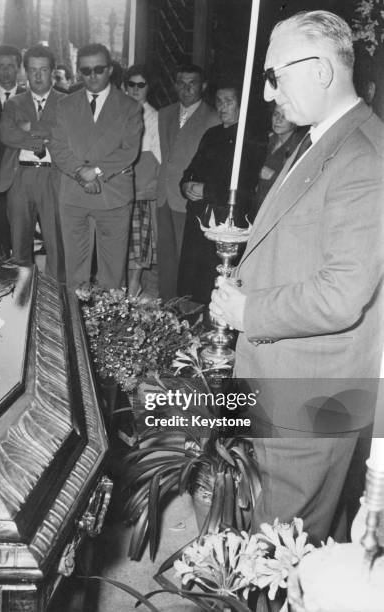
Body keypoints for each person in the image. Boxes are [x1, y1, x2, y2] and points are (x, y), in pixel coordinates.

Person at [210, 10, 384, 543]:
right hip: (287, 381)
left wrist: (248, 311)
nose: (267, 94)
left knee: (279, 550)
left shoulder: (363, 156)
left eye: (274, 75)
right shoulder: (323, 139)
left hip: (313, 399)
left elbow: (342, 294)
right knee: (279, 540)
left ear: (322, 71)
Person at [50, 43, 142, 290]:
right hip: (74, 195)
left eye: (98, 69)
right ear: (79, 72)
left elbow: (129, 150)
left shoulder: (130, 107)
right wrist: (81, 172)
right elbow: (57, 146)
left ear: (110, 70)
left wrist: (96, 171)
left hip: (112, 196)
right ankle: (74, 321)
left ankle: (110, 324)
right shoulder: (65, 105)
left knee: (112, 273)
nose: (92, 76)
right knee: (75, 271)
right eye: (85, 70)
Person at [178, 83, 265, 304]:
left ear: (241, 104)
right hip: (199, 215)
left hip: (226, 217)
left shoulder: (252, 137)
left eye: (229, 101)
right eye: (219, 101)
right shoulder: (212, 134)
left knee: (215, 278)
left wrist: (207, 190)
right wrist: (186, 185)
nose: (222, 107)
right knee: (192, 277)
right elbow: (192, 168)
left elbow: (246, 182)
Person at [0, 44, 65, 280]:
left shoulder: (67, 102)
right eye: (32, 70)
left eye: (43, 70)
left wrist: (28, 129)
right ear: (25, 71)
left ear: (52, 71)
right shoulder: (13, 103)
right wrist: (39, 140)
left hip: (53, 177)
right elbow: (7, 135)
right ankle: (22, 300)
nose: (37, 75)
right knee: (20, 247)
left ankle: (57, 302)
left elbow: (61, 135)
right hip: (20, 178)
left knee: (57, 245)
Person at [156, 64, 219, 300]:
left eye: (192, 83)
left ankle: (184, 310)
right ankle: (164, 308)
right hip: (163, 196)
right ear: (174, 85)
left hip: (188, 199)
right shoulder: (165, 114)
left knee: (187, 259)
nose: (186, 88)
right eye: (181, 83)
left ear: (203, 86)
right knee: (165, 258)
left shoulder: (212, 117)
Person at [124, 65, 161, 297]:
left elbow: (157, 160)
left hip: (140, 193)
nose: (135, 89)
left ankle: (132, 293)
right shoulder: (116, 113)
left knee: (138, 249)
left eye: (141, 85)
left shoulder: (155, 118)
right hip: (116, 192)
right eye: (131, 84)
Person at [0, 44, 26, 259]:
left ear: (19, 68)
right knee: (0, 235)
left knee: (23, 236)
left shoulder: (30, 98)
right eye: (1, 66)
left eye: (11, 66)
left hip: (24, 176)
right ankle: (2, 283)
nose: (6, 71)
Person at [254, 103, 306, 211]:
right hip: (258, 208)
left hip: (278, 210)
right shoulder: (267, 140)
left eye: (284, 116)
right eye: (276, 114)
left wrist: (273, 176)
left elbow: (299, 185)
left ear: (295, 121)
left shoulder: (299, 147)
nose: (278, 120)